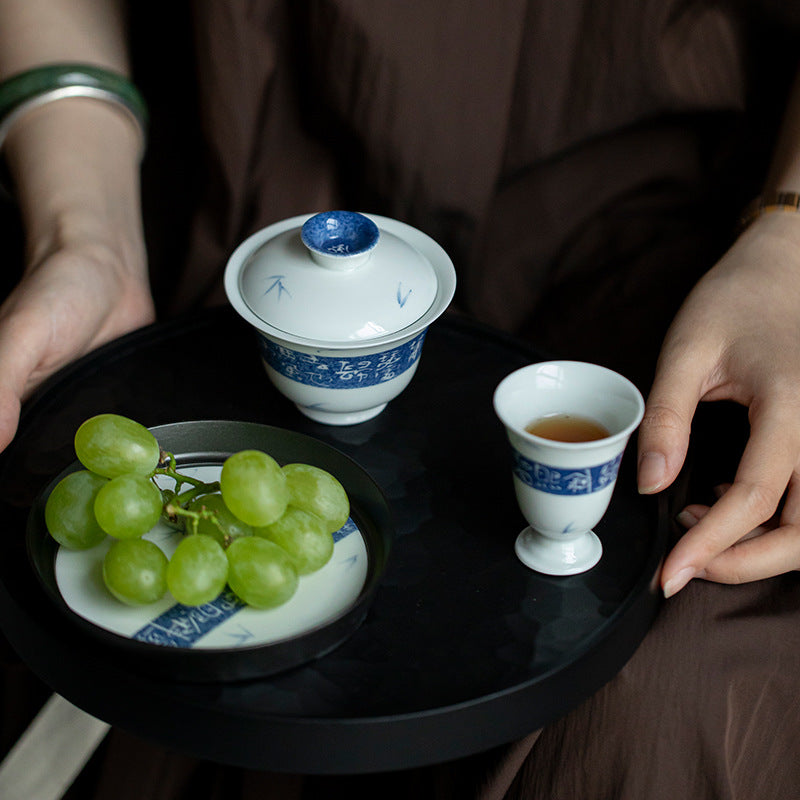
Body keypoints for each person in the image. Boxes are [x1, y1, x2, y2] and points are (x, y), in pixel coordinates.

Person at [0, 1, 799, 798]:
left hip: (670, 256)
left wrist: (787, 246)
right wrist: (84, 234)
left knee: (663, 695)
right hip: (232, 177)